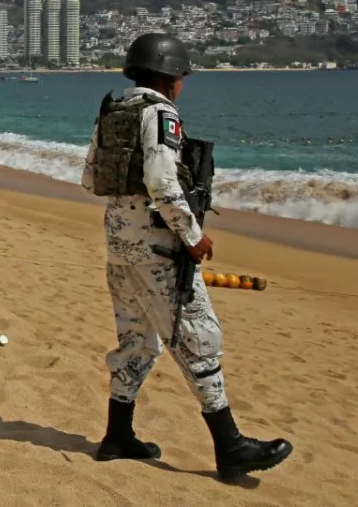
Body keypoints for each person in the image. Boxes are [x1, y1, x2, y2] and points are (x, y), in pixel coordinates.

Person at [81, 33, 293, 482]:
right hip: (158, 249)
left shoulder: (112, 111)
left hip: (119, 245)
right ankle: (230, 445)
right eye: (181, 77)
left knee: (136, 340)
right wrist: (192, 234)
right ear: (171, 77)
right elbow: (161, 181)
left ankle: (118, 436)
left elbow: (89, 177)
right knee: (198, 338)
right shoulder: (160, 113)